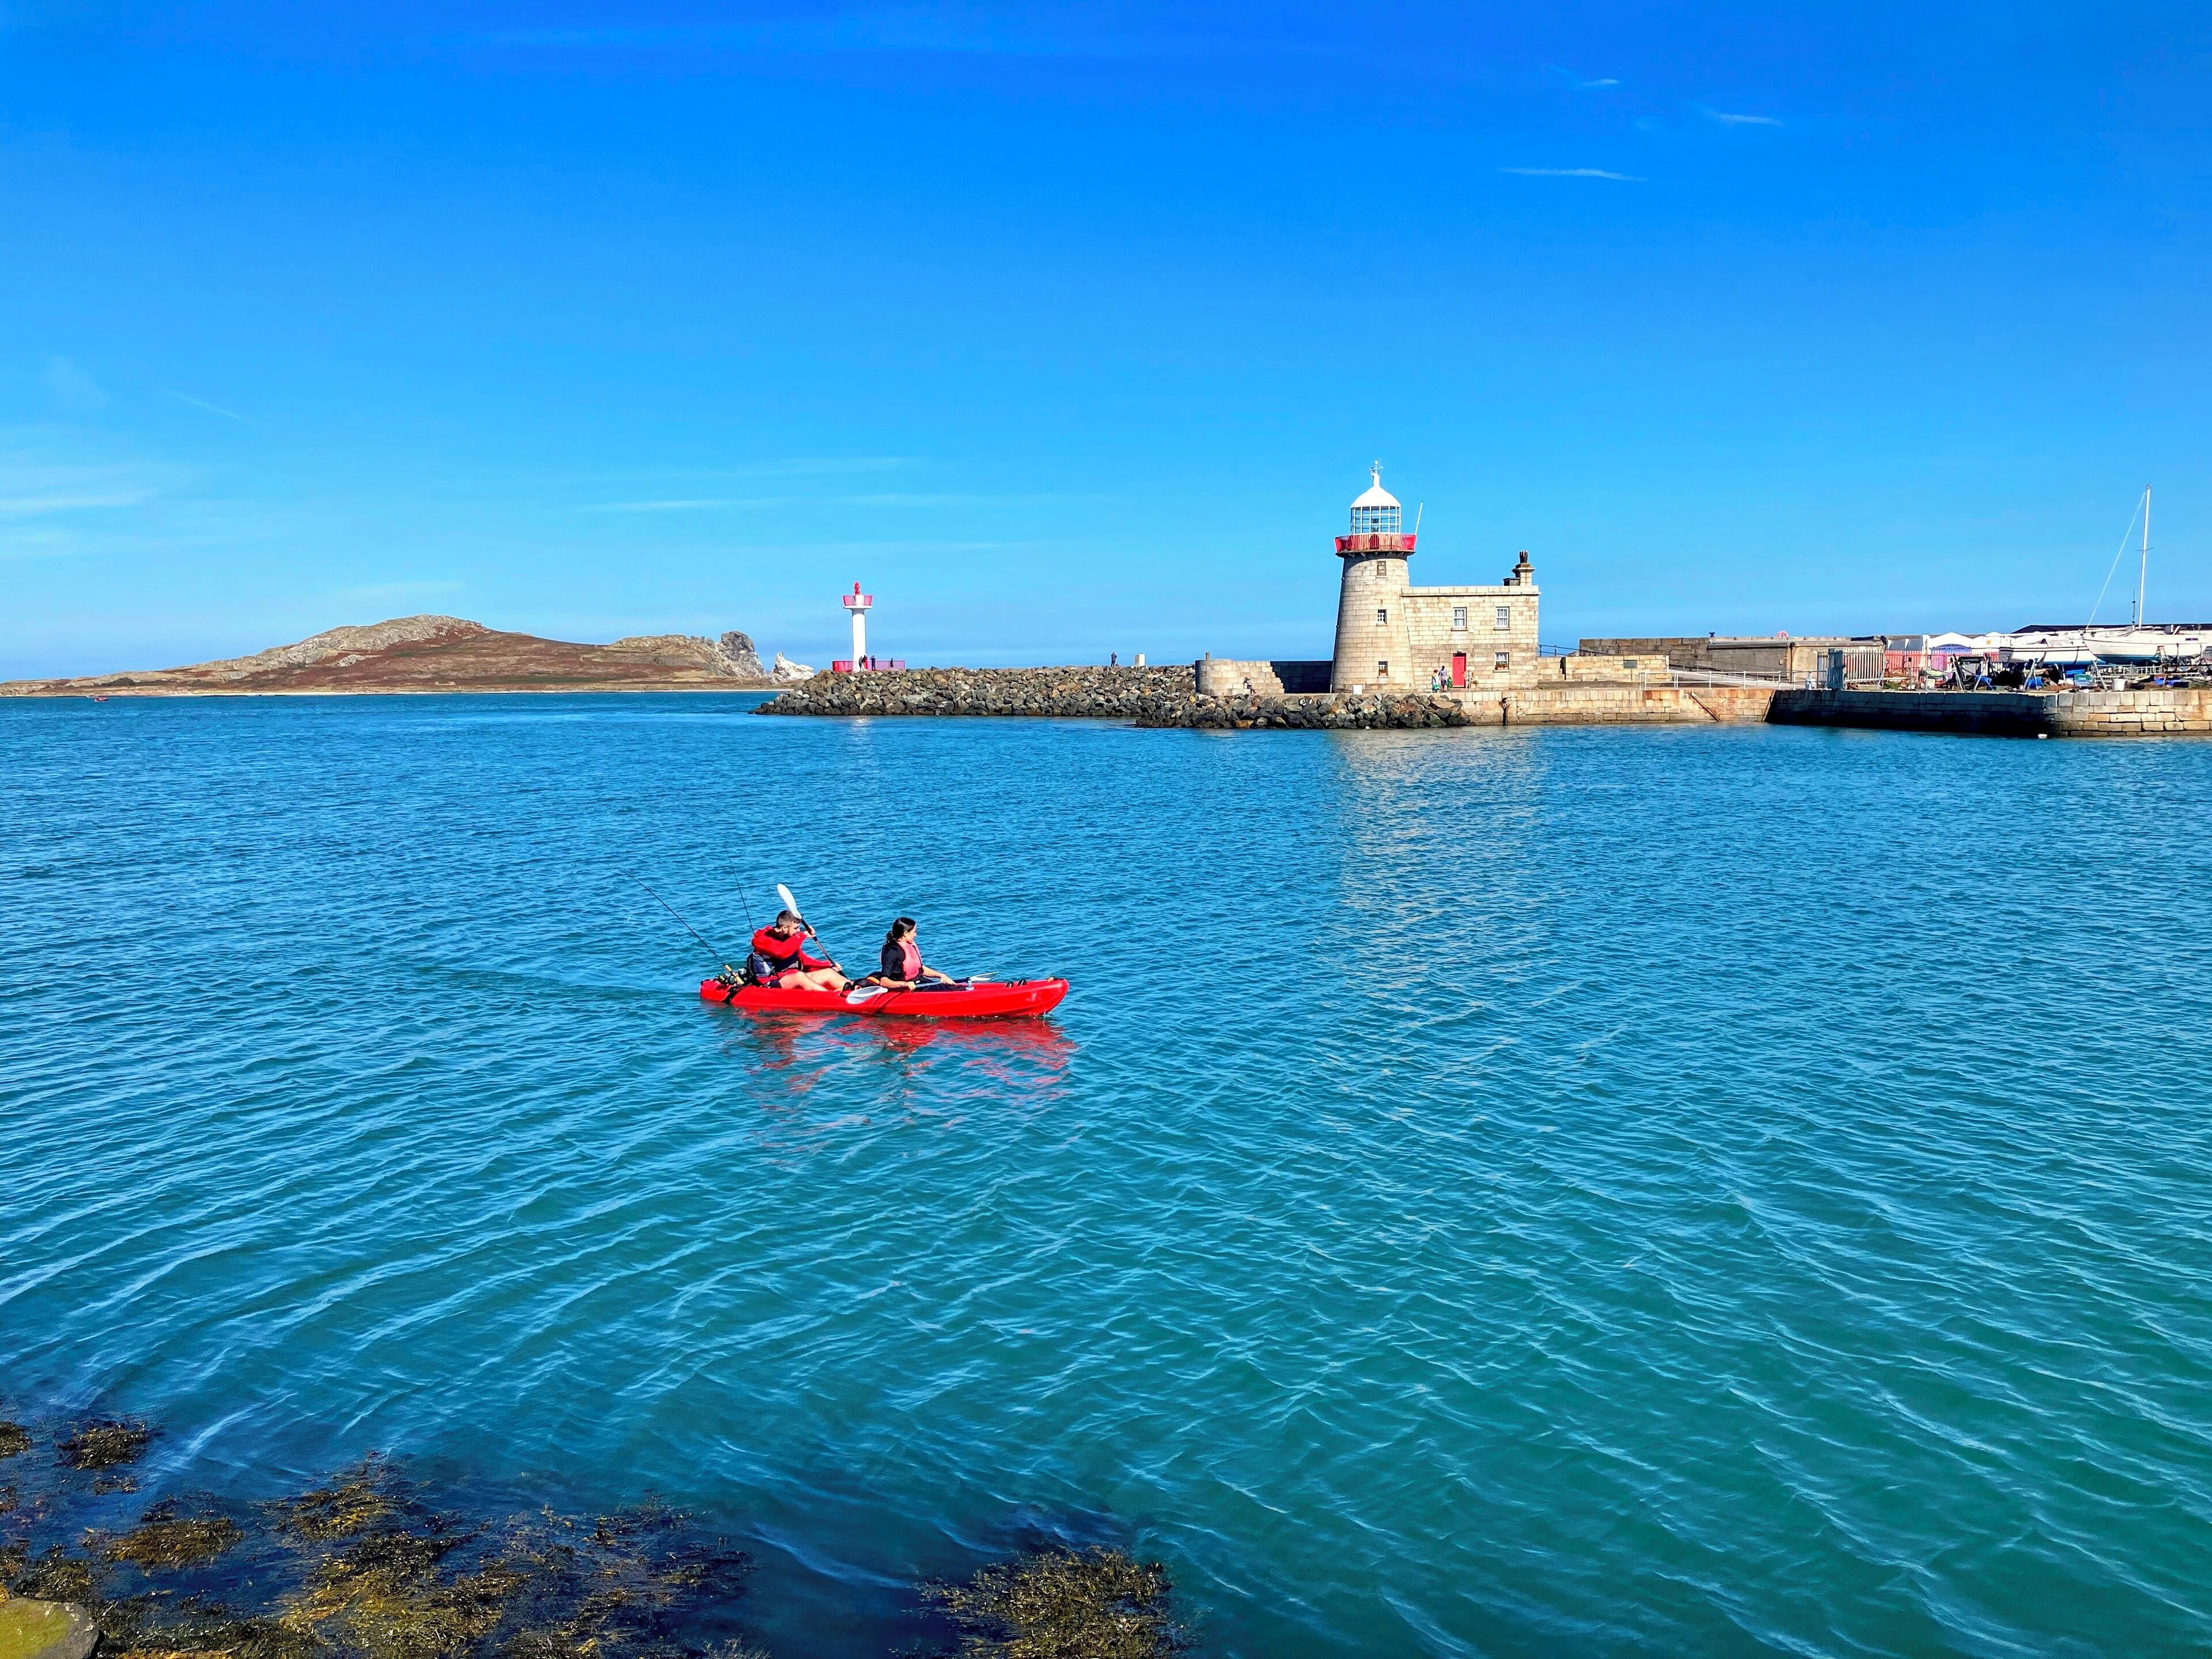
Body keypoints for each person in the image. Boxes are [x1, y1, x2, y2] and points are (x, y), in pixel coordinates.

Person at [749, 910, 848, 992]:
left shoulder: (789, 937)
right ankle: (832, 997)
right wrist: (802, 935)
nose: (798, 930)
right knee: (799, 976)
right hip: (770, 982)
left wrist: (829, 965)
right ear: (784, 928)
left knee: (829, 972)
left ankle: (854, 987)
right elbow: (781, 952)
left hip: (792, 977)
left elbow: (804, 960)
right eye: (796, 928)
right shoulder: (762, 939)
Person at [865, 916, 957, 990]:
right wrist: (905, 984)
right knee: (948, 990)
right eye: (914, 932)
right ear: (906, 933)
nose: (916, 935)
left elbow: (922, 970)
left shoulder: (909, 946)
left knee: (952, 988)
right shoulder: (893, 952)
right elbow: (884, 981)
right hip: (905, 988)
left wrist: (941, 975)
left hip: (918, 982)